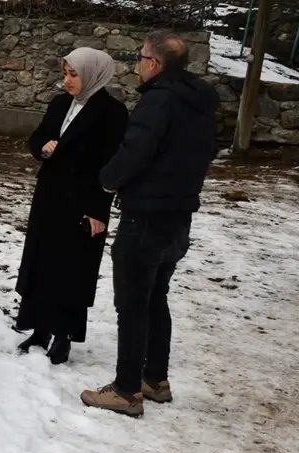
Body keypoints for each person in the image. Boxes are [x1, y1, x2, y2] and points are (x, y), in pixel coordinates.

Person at [81, 31, 218, 417]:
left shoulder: (158, 102)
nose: (137, 64)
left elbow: (135, 151)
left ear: (154, 64)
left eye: (140, 58)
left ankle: (126, 390)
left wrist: (106, 179)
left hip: (146, 215)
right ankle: (155, 379)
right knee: (156, 296)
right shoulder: (200, 102)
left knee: (133, 303)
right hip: (179, 216)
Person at [14, 47, 128, 364]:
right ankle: (40, 328)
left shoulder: (112, 112)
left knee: (72, 268)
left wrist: (98, 210)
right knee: (43, 261)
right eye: (65, 73)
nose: (67, 80)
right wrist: (44, 149)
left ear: (93, 74)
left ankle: (64, 335)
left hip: (83, 201)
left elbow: (111, 163)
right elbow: (38, 138)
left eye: (73, 74)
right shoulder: (60, 103)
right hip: (50, 196)